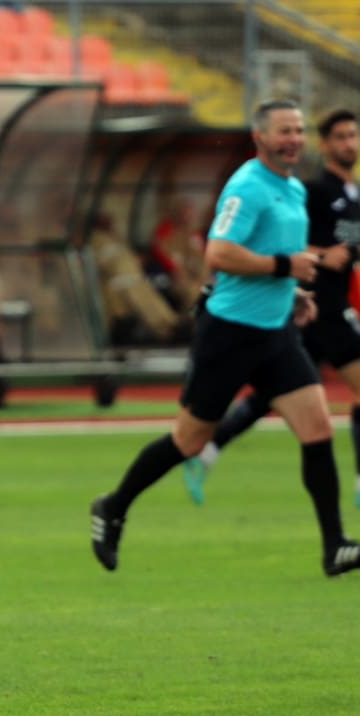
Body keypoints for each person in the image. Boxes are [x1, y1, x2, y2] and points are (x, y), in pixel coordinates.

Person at [89, 99, 360, 579]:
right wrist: (284, 268)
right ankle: (113, 505)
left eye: (298, 129)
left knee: (317, 428)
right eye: (284, 131)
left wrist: (293, 291)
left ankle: (335, 546)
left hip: (275, 333)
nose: (293, 139)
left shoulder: (293, 189)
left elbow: (273, 254)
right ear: (260, 137)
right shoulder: (247, 186)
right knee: (190, 441)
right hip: (230, 335)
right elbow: (219, 254)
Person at [183, 108, 360, 506]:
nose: (350, 144)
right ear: (326, 144)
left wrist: (341, 256)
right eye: (341, 137)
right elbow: (287, 244)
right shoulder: (312, 191)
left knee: (272, 394)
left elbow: (347, 249)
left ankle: (209, 451)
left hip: (307, 308)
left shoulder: (353, 197)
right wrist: (319, 256)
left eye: (354, 136)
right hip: (320, 308)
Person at [89, 212, 182, 345]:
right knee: (130, 283)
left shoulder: (111, 239)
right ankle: (167, 326)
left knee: (135, 284)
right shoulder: (98, 240)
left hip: (124, 283)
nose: (110, 221)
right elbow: (119, 263)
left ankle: (168, 324)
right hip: (115, 292)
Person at [148, 197, 209, 315]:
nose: (188, 217)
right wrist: (178, 270)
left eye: (191, 214)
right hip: (175, 274)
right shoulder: (166, 230)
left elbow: (200, 255)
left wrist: (203, 276)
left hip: (195, 274)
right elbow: (162, 254)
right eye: (185, 214)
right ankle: (190, 322)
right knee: (192, 293)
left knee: (210, 288)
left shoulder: (194, 232)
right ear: (179, 214)